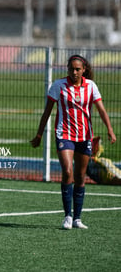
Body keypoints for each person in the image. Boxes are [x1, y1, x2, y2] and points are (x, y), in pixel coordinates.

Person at [31, 54, 116, 230]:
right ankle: (67, 216)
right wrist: (39, 134)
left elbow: (101, 109)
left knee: (79, 176)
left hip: (85, 137)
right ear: (67, 69)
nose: (74, 72)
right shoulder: (58, 85)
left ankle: (77, 218)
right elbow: (47, 111)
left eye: (78, 69)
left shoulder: (91, 86)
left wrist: (110, 129)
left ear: (84, 69)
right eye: (71, 69)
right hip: (64, 134)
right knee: (67, 171)